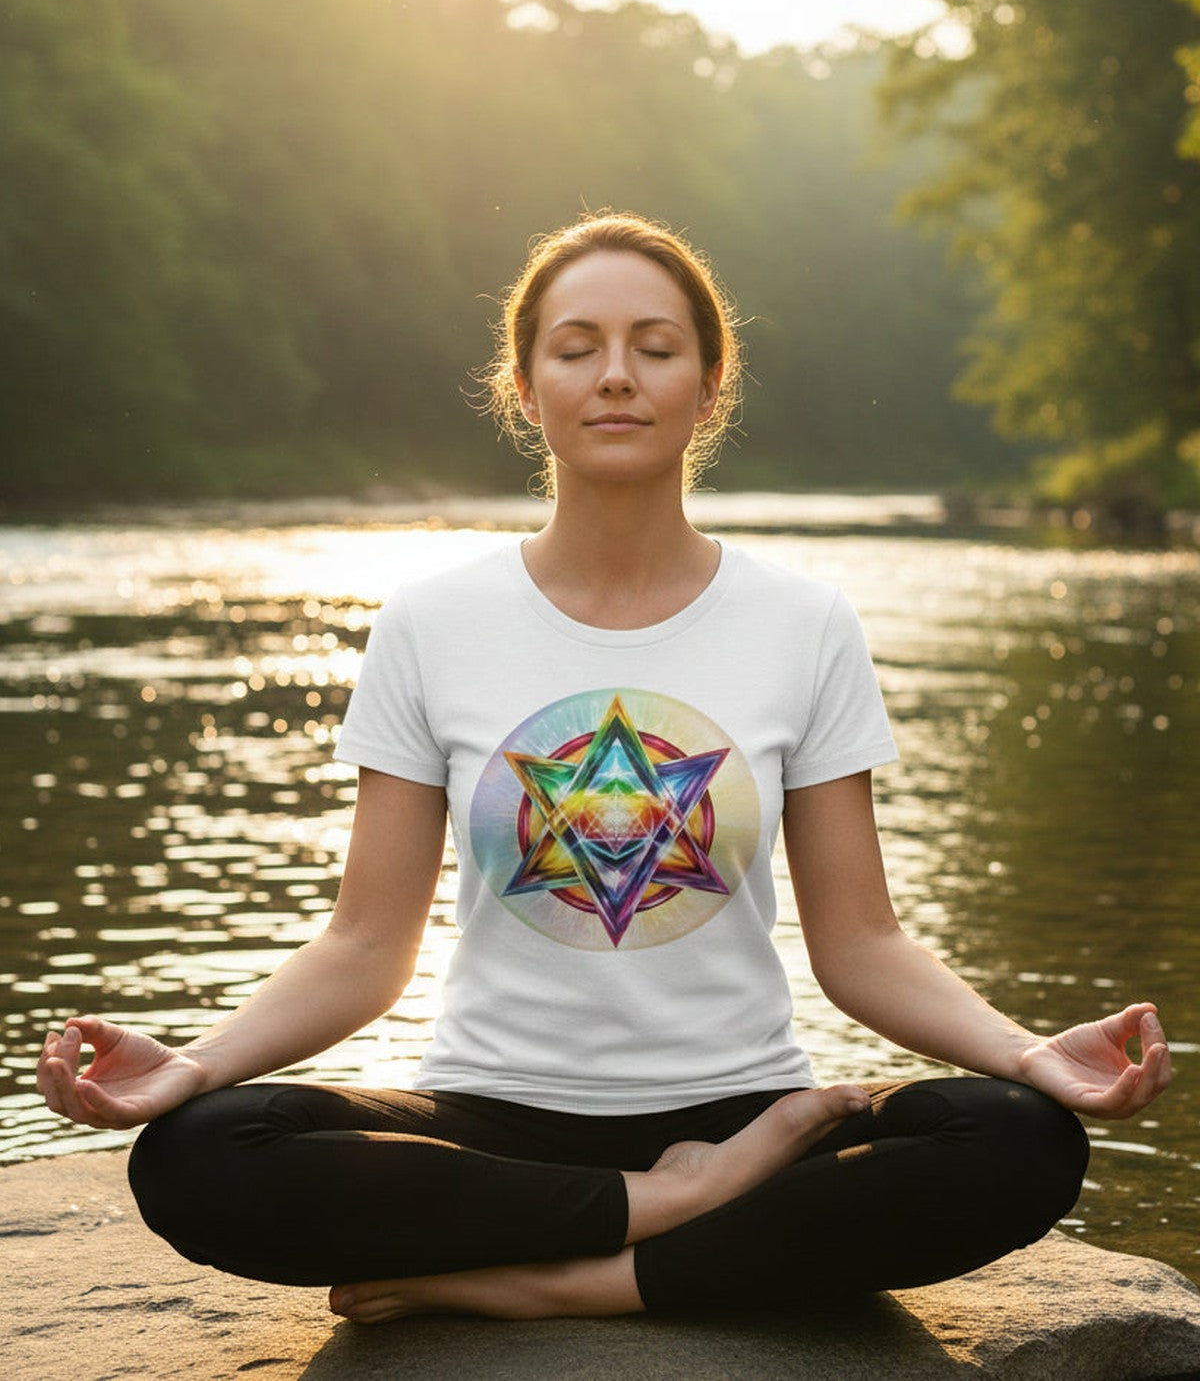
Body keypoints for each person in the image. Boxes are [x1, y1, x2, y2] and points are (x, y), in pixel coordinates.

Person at [38, 212, 1171, 1323]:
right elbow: (364, 945)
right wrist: (191, 1065)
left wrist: (1027, 1054)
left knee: (1019, 1139)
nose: (616, 376)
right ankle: (667, 1211)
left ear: (709, 385)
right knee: (199, 1155)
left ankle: (564, 1277)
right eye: (577, 349)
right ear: (525, 389)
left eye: (655, 347)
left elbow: (862, 944)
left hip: (745, 1112)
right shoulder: (432, 622)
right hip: (492, 1115)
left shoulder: (806, 623)